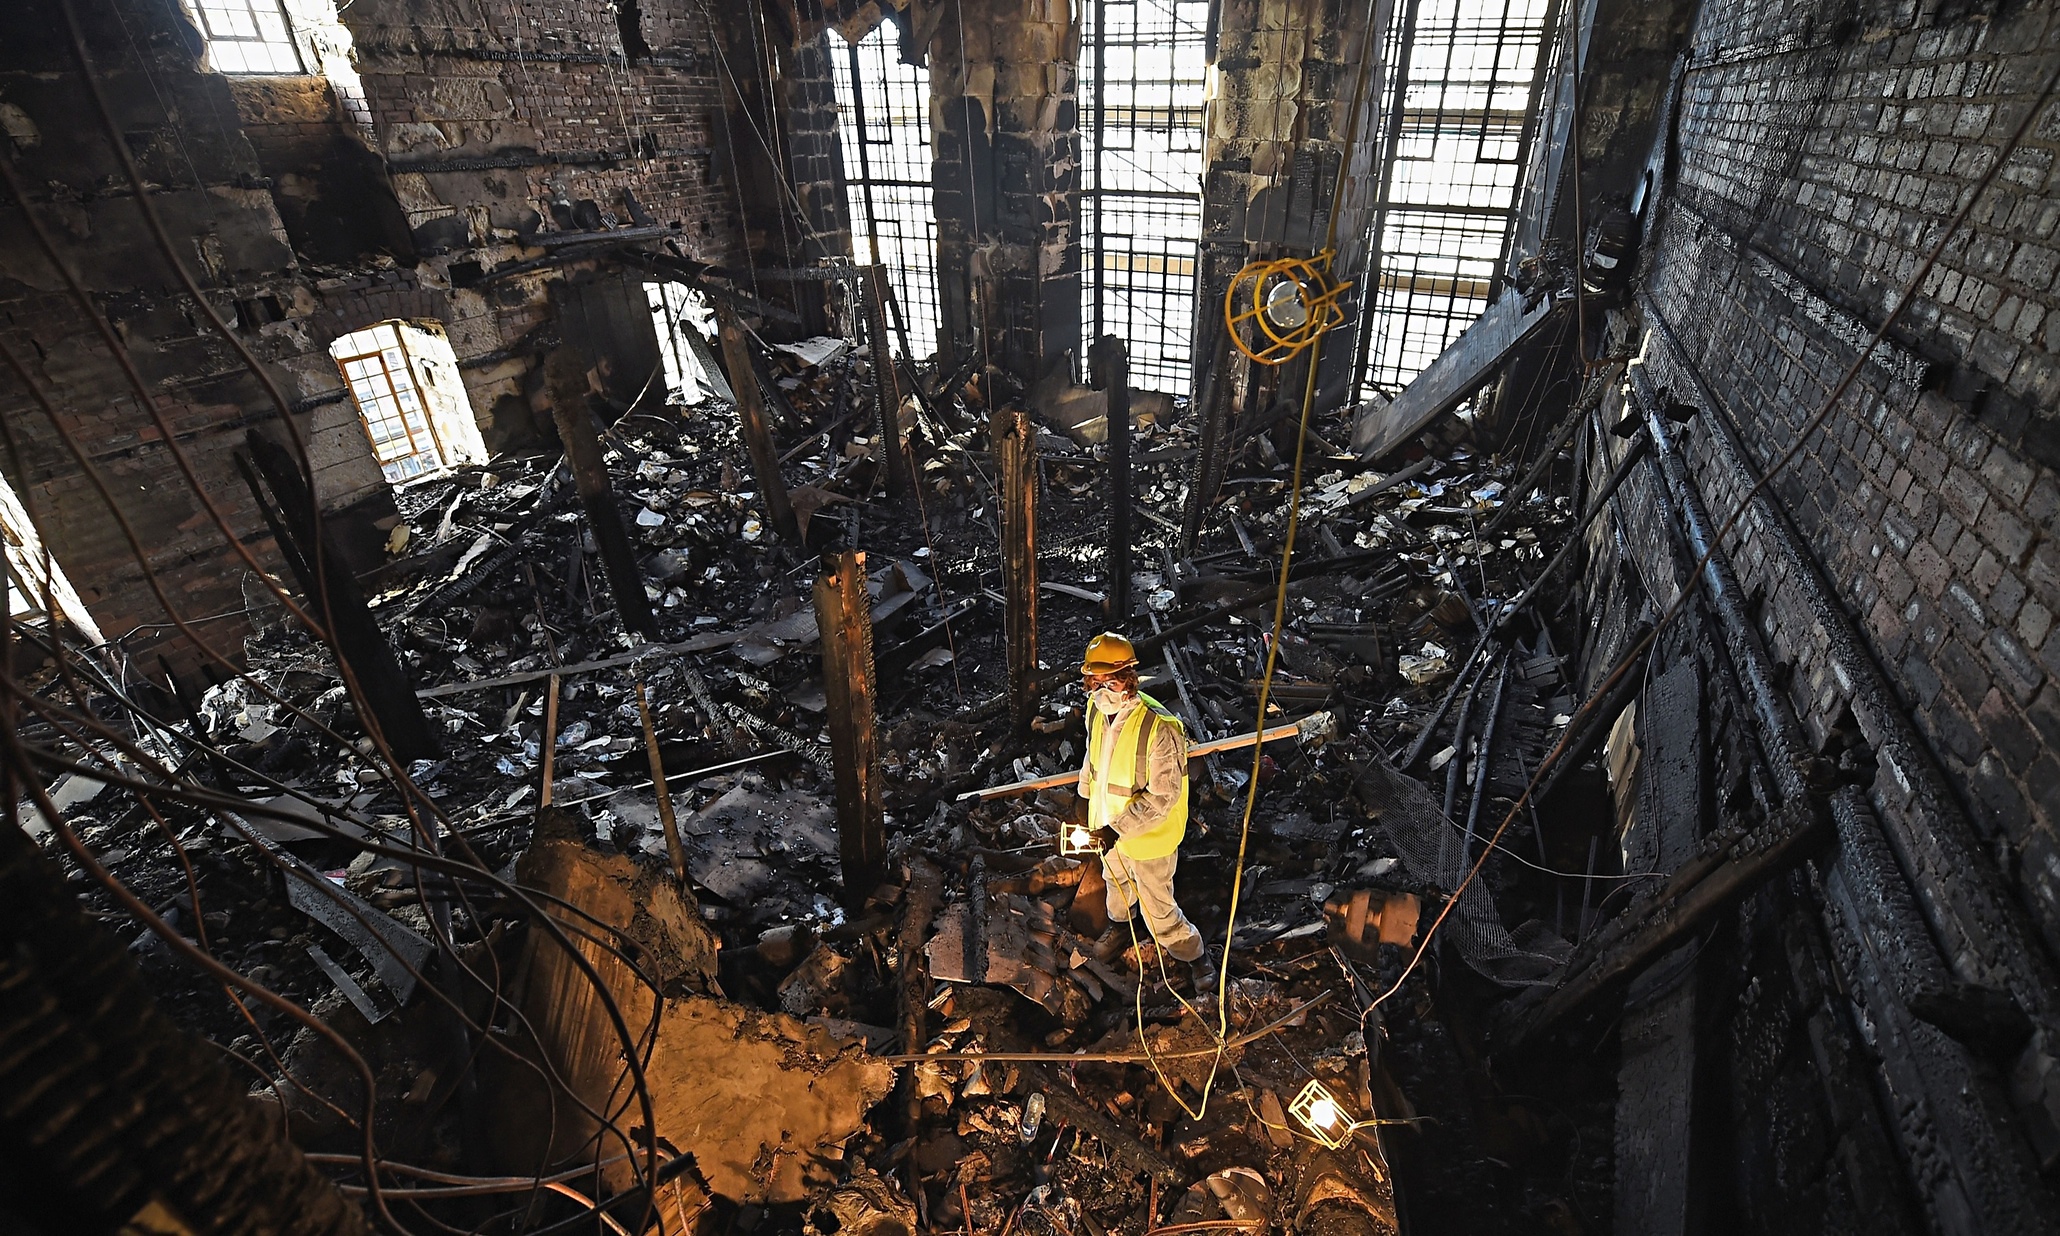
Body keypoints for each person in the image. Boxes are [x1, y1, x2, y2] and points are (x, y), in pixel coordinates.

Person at [1075, 633, 1213, 989]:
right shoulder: (1096, 708)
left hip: (1149, 838)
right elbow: (1094, 760)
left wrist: (1116, 828)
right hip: (1108, 829)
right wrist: (1084, 796)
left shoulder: (1159, 727)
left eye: (1107, 681)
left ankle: (1194, 954)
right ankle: (1122, 927)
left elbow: (1162, 797)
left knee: (1158, 907)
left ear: (1127, 678)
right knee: (1115, 883)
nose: (1100, 688)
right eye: (1095, 681)